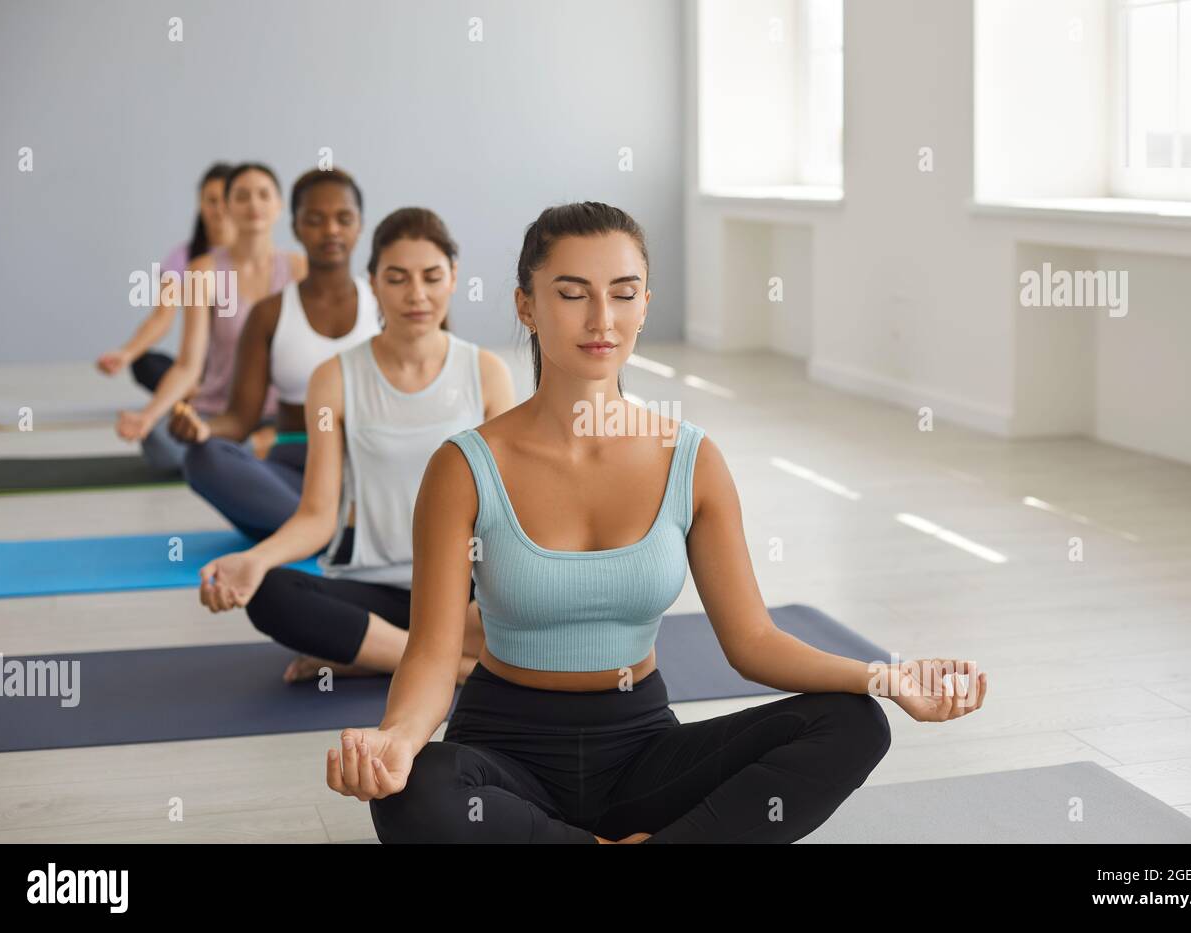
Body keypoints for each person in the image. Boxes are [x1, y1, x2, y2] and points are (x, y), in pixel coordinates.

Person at [323, 202, 989, 844]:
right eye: (572, 292)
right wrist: (397, 739)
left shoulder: (692, 460)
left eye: (623, 292)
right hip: (505, 751)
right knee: (411, 793)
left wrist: (885, 675)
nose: (601, 318)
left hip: (641, 749)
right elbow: (435, 656)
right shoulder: (464, 466)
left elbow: (753, 639)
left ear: (645, 304)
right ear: (526, 304)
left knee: (854, 722)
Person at [195, 207, 515, 684]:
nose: (417, 295)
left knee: (540, 612)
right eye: (398, 278)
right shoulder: (334, 378)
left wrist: (501, 595)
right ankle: (454, 668)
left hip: (464, 591)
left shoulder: (486, 372)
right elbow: (318, 515)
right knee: (273, 595)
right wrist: (254, 561)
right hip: (376, 585)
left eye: (432, 277)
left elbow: (509, 508)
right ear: (373, 284)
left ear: (453, 278)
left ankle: (370, 653)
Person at [169, 169, 381, 539]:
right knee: (203, 459)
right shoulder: (269, 313)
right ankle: (335, 533)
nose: (330, 230)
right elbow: (239, 419)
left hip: (367, 469)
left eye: (343, 219)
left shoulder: (382, 304)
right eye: (315, 220)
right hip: (294, 470)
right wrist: (201, 428)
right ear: (296, 227)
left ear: (359, 225)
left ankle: (307, 530)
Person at [115, 163, 305, 470]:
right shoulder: (202, 271)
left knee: (321, 434)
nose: (254, 204)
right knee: (158, 442)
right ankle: (248, 450)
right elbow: (189, 364)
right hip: (220, 414)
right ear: (227, 207)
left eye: (263, 195)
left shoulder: (299, 269)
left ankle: (236, 452)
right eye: (242, 196)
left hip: (281, 415)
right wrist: (148, 416)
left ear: (279, 205)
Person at [96, 163, 236, 391]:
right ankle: (194, 392)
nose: (219, 208)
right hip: (198, 366)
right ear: (200, 204)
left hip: (244, 366)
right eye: (211, 200)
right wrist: (126, 353)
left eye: (226, 199)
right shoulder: (183, 257)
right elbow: (162, 317)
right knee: (145, 363)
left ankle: (200, 394)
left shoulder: (256, 258)